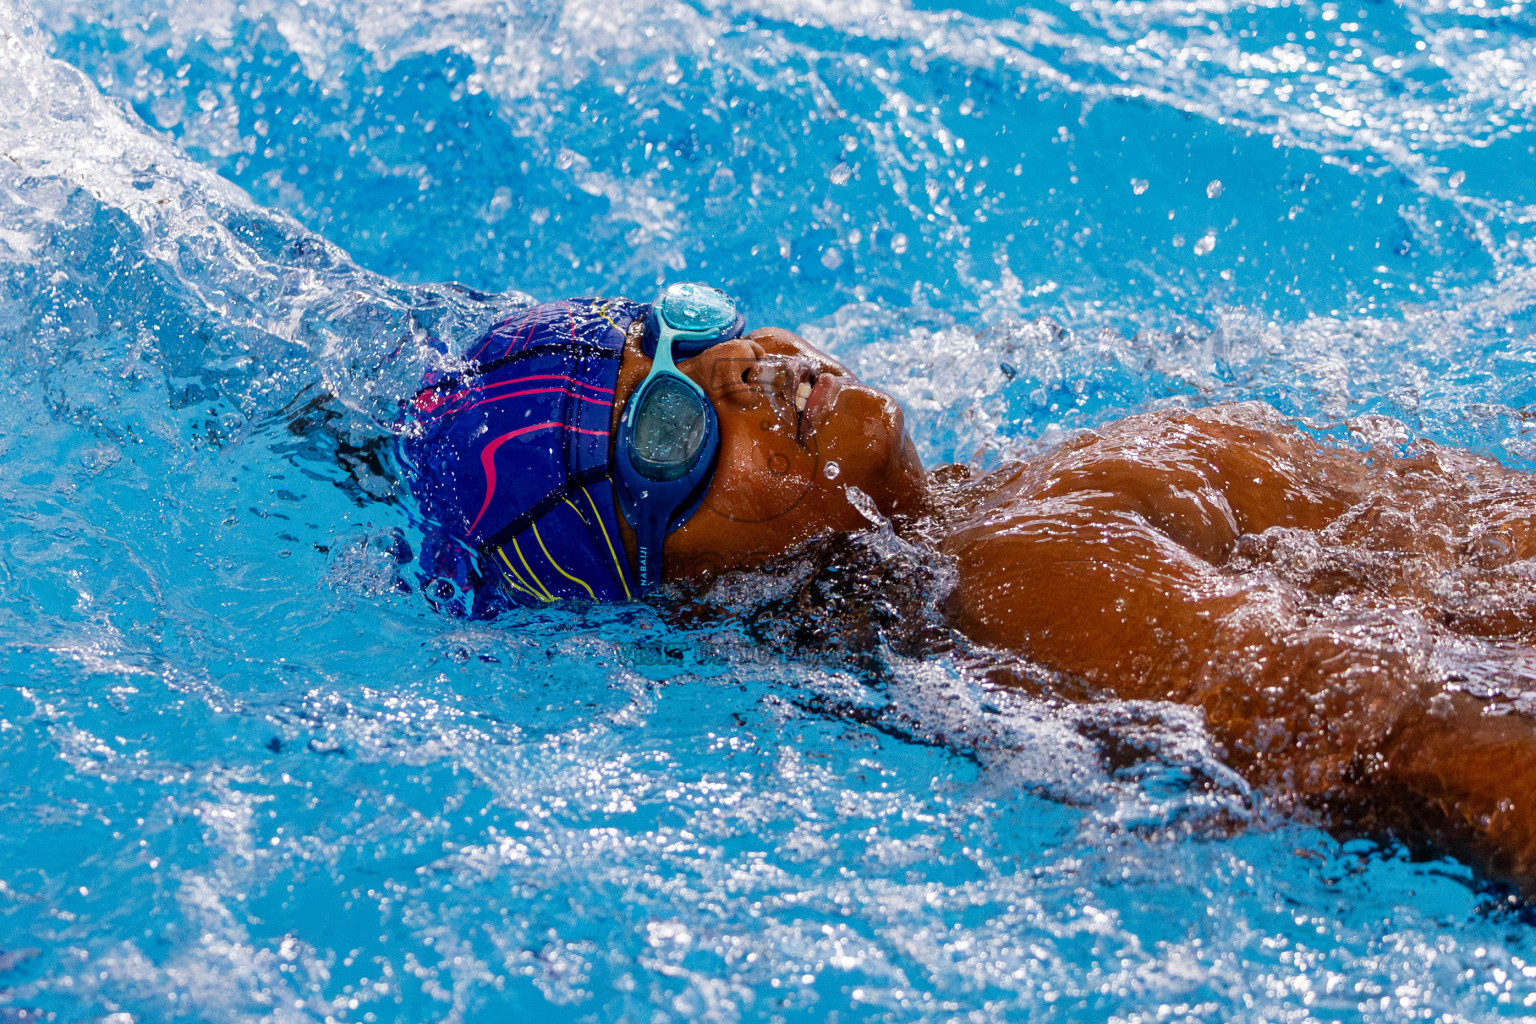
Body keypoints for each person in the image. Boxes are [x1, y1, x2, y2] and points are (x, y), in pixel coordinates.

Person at [401, 284, 1536, 890]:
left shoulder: (1007, 527)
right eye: (670, 428)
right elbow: (1432, 738)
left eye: (683, 328)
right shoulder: (1021, 580)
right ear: (676, 595)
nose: (740, 368)